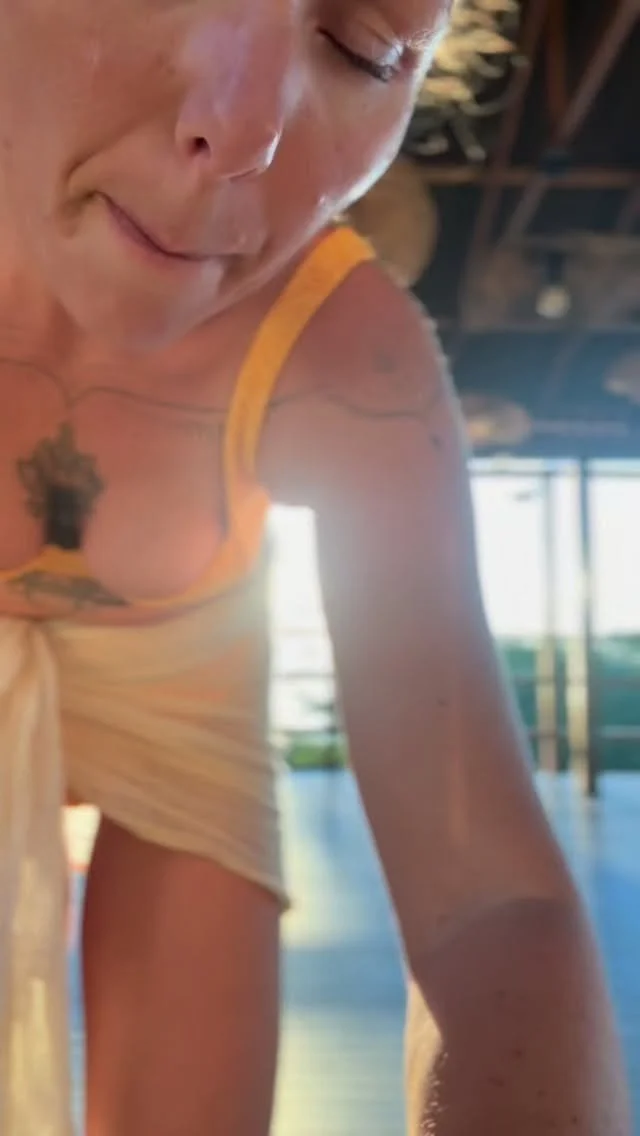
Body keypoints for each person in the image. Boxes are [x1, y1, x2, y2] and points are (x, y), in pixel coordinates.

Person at [0, 1, 630, 1134]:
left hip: (185, 718)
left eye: (363, 47)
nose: (245, 131)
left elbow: (487, 893)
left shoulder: (348, 359)